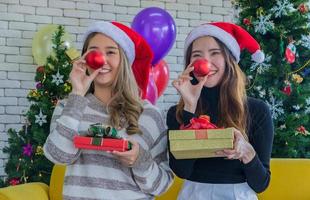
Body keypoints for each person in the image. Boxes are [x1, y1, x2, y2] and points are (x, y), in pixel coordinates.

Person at [44, 21, 173, 200]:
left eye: (111, 52)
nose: (101, 59)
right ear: (84, 59)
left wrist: (138, 160)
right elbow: (58, 156)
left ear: (125, 60)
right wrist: (77, 95)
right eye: (94, 51)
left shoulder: (149, 114)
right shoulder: (69, 106)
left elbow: (162, 186)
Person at [167, 22, 274, 200]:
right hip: (194, 195)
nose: (205, 61)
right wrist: (190, 109)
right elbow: (181, 171)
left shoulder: (257, 110)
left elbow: (261, 184)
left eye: (215, 53)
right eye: (197, 55)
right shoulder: (177, 113)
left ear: (229, 59)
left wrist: (247, 153)